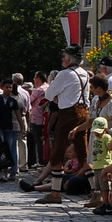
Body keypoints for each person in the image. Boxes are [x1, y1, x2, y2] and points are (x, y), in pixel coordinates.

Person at [32, 46, 89, 189]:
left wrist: (58, 98)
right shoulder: (85, 73)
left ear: (69, 59)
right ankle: (94, 191)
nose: (62, 59)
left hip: (68, 114)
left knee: (57, 151)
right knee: (83, 151)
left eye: (64, 57)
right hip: (83, 112)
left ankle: (55, 192)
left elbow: (49, 94)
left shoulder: (65, 74)